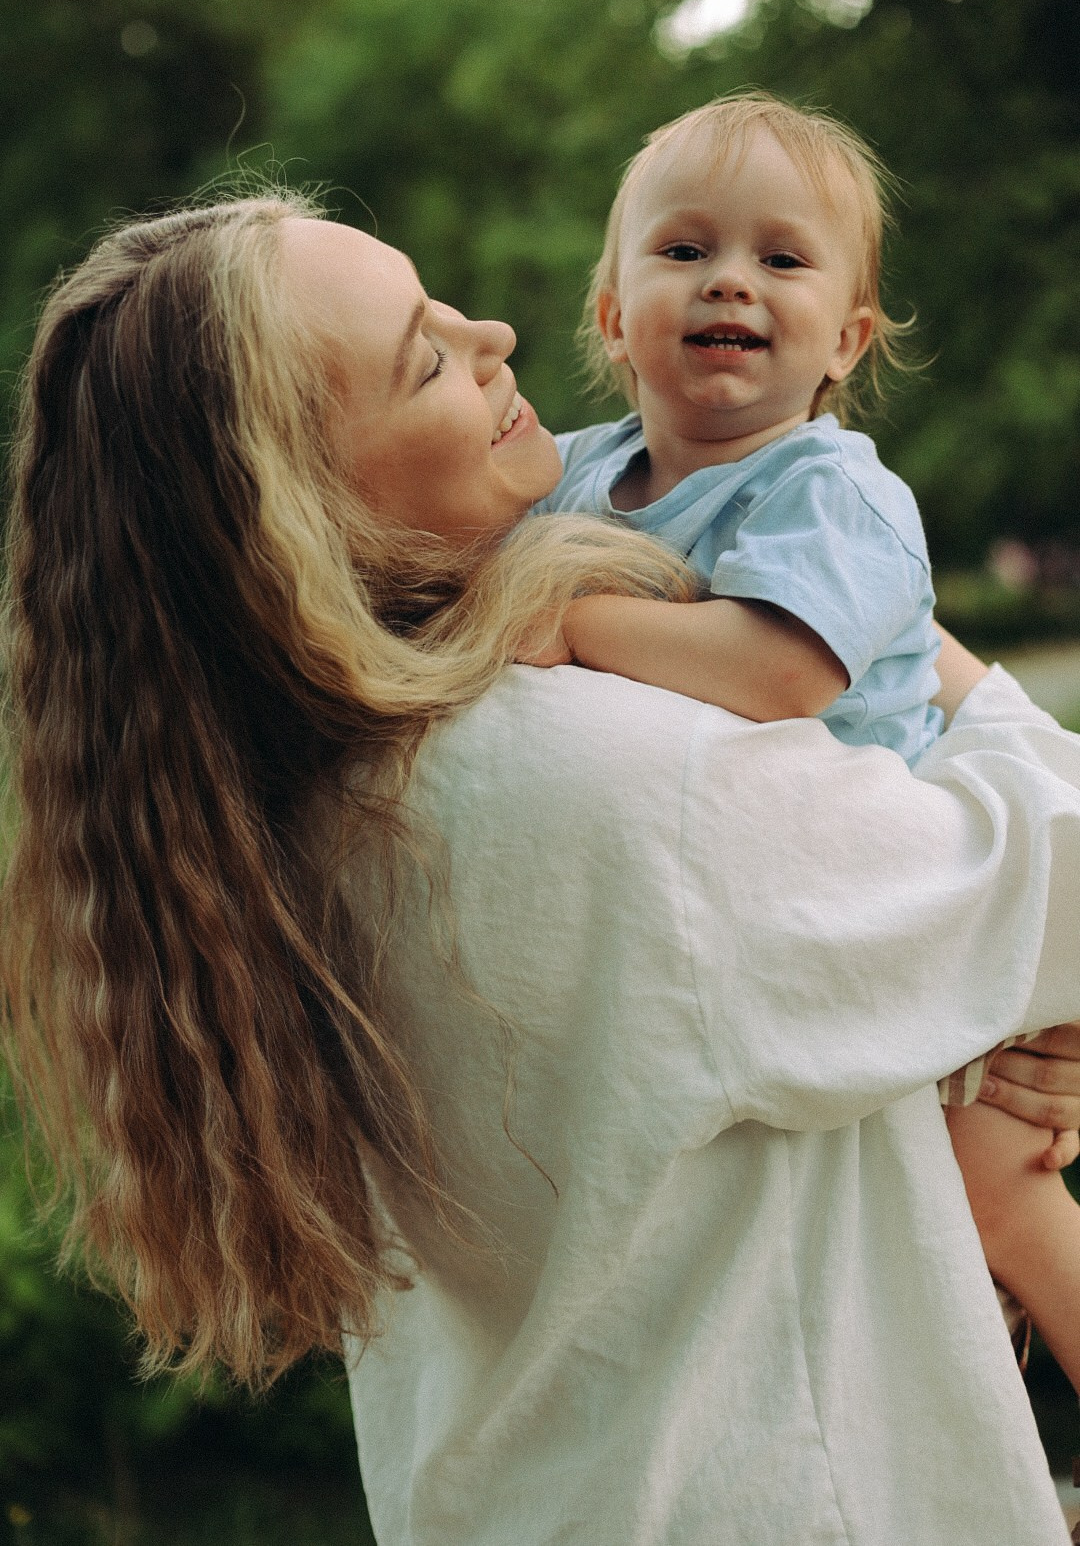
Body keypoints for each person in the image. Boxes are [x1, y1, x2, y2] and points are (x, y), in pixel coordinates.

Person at [5, 195, 1080, 1546]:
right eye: (425, 358)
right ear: (304, 506)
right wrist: (922, 646)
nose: (495, 333)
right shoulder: (615, 779)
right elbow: (1060, 880)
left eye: (446, 306)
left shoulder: (284, 789)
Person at [533, 90, 1080, 1389]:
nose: (732, 280)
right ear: (613, 311)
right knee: (908, 1264)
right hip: (787, 919)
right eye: (685, 251)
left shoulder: (835, 492)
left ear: (846, 337)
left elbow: (777, 670)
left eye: (781, 258)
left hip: (930, 896)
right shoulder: (575, 478)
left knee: (996, 1188)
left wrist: (563, 620)